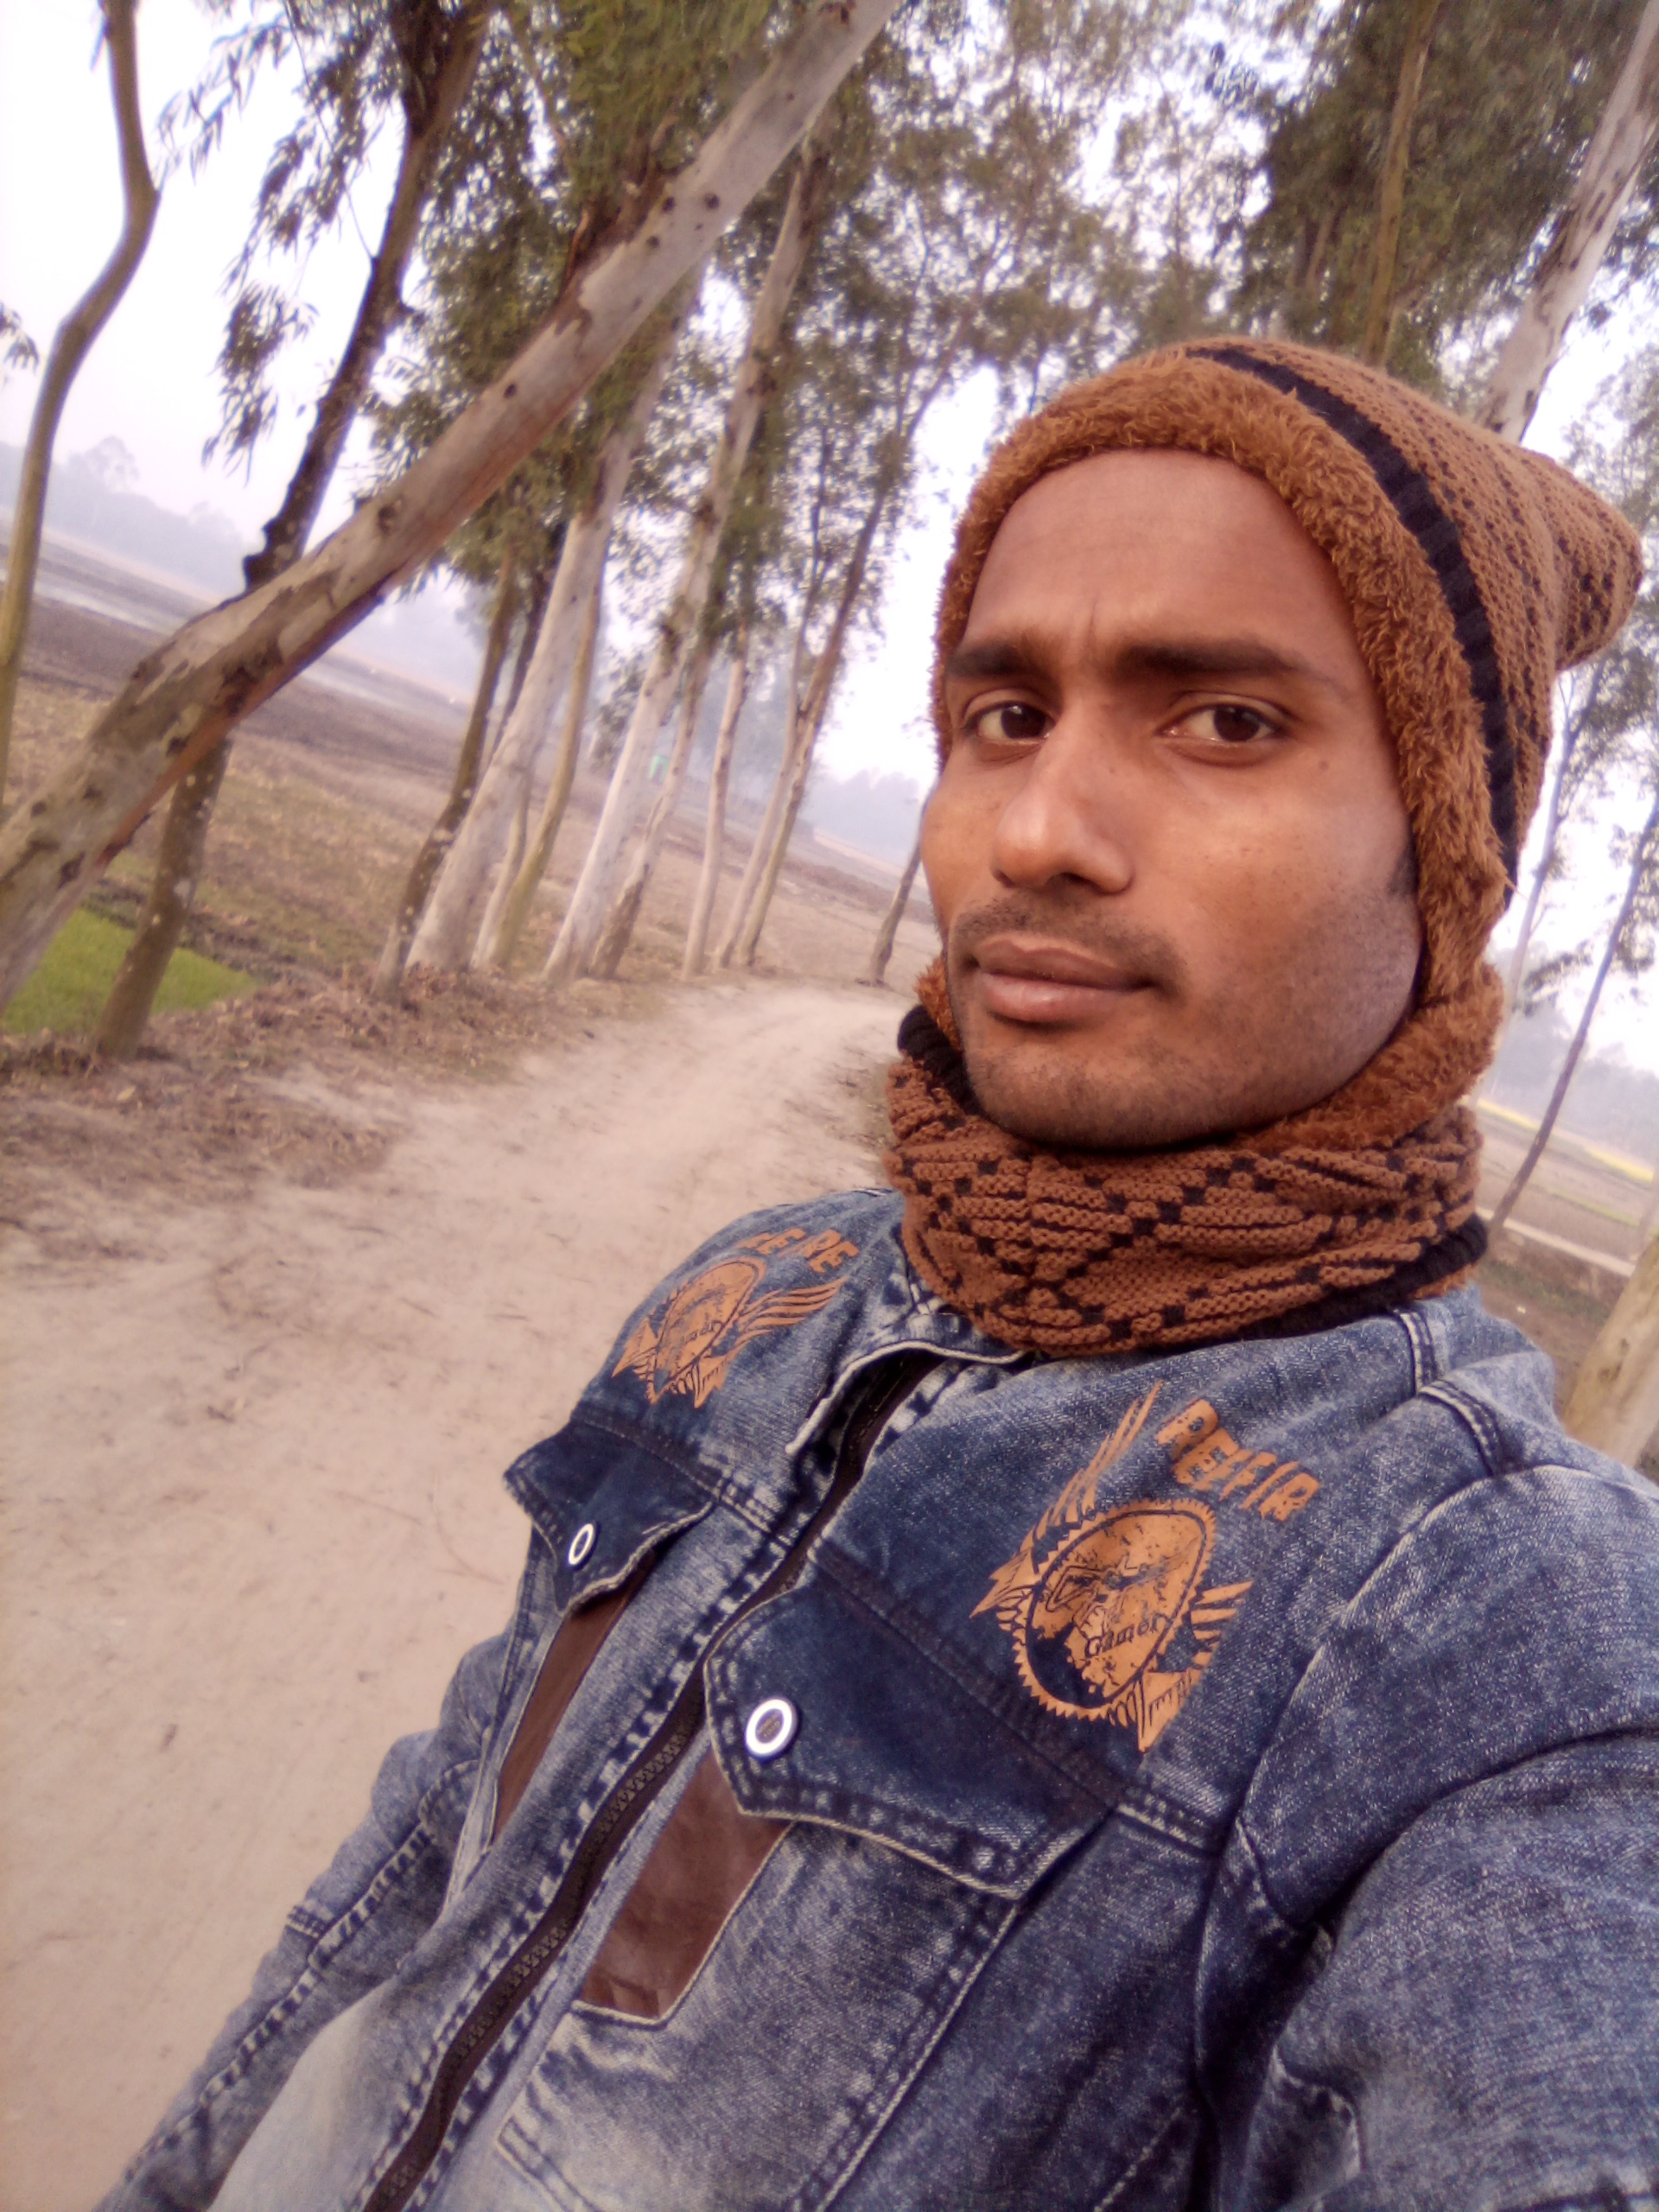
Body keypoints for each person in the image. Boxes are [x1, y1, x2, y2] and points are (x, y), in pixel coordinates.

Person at [104, 339, 1658, 2212]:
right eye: (1005, 712)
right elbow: (429, 1864)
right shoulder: (759, 1297)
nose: (1037, 831)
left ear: (1450, 850)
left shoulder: (1499, 1627)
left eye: (1228, 721)